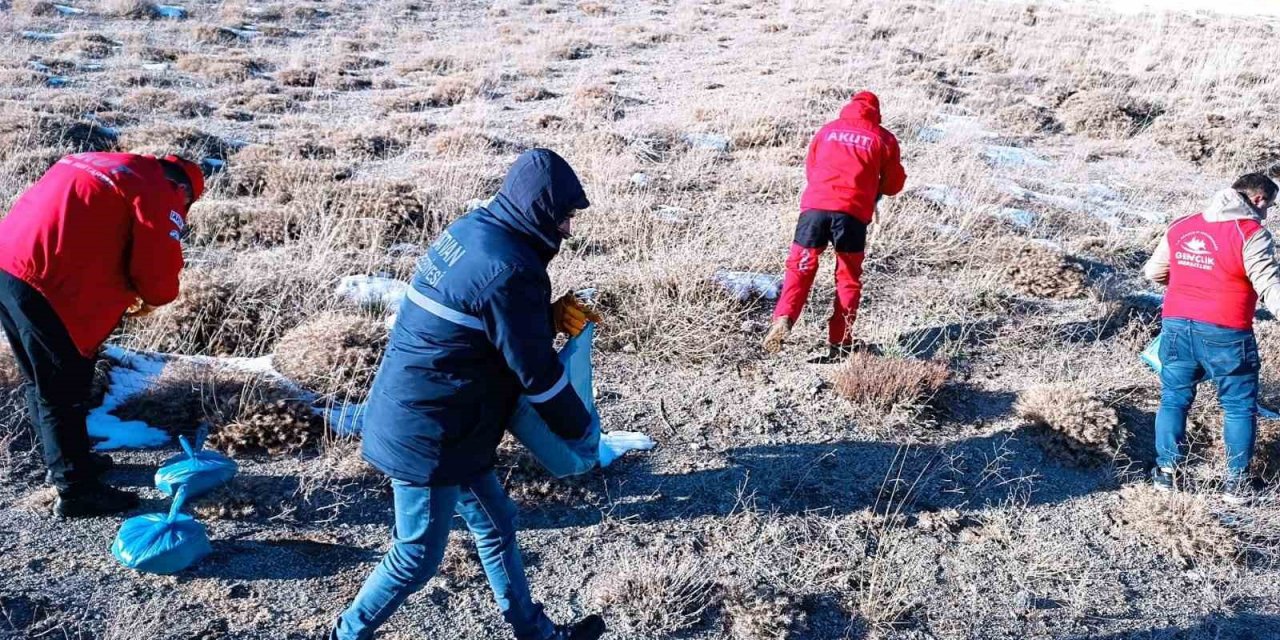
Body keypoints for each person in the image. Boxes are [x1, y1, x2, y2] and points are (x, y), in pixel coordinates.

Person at [332, 149, 606, 640]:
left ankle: (533, 632)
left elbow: (480, 325)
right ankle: (345, 634)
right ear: (541, 210)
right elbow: (536, 375)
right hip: (430, 432)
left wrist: (542, 318)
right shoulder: (510, 268)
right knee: (415, 556)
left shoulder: (476, 232)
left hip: (449, 418)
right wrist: (581, 430)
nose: (568, 229)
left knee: (497, 521)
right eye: (564, 217)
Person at [0, 152, 204, 517]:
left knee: (40, 377)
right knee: (62, 388)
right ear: (184, 190)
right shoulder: (161, 190)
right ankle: (75, 489)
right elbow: (158, 278)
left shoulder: (99, 161)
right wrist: (156, 295)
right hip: (48, 282)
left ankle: (69, 460)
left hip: (8, 263)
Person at [1143, 173, 1280, 504]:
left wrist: (1193, 283)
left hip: (1176, 326)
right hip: (1226, 331)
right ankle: (1236, 485)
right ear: (1259, 200)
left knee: (1174, 397)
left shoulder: (1182, 225)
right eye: (1270, 206)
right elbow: (1269, 286)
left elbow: (1153, 272)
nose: (1268, 214)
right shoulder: (1251, 233)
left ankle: (1166, 474)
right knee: (1238, 406)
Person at [763, 90, 907, 360]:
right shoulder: (883, 138)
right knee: (848, 277)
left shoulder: (827, 130)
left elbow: (812, 170)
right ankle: (840, 343)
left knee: (800, 267)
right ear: (877, 112)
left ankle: (784, 317)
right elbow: (893, 184)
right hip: (851, 216)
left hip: (814, 210)